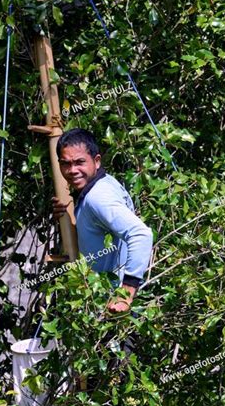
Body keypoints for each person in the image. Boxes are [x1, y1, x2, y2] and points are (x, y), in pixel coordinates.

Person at [51, 128, 153, 314]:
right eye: (65, 164)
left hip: (114, 308)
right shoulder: (102, 184)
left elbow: (141, 234)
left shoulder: (97, 197)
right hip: (103, 304)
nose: (72, 170)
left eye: (80, 162)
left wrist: (126, 293)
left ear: (96, 161)